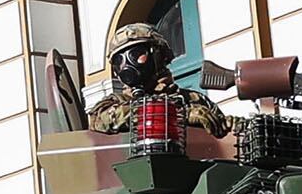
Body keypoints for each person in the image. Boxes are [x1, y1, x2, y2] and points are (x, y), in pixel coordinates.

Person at [91, 23, 229, 139]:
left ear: (158, 55)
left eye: (135, 55)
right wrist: (179, 115)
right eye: (119, 61)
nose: (126, 65)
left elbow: (225, 135)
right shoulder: (113, 103)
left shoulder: (195, 100)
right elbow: (99, 121)